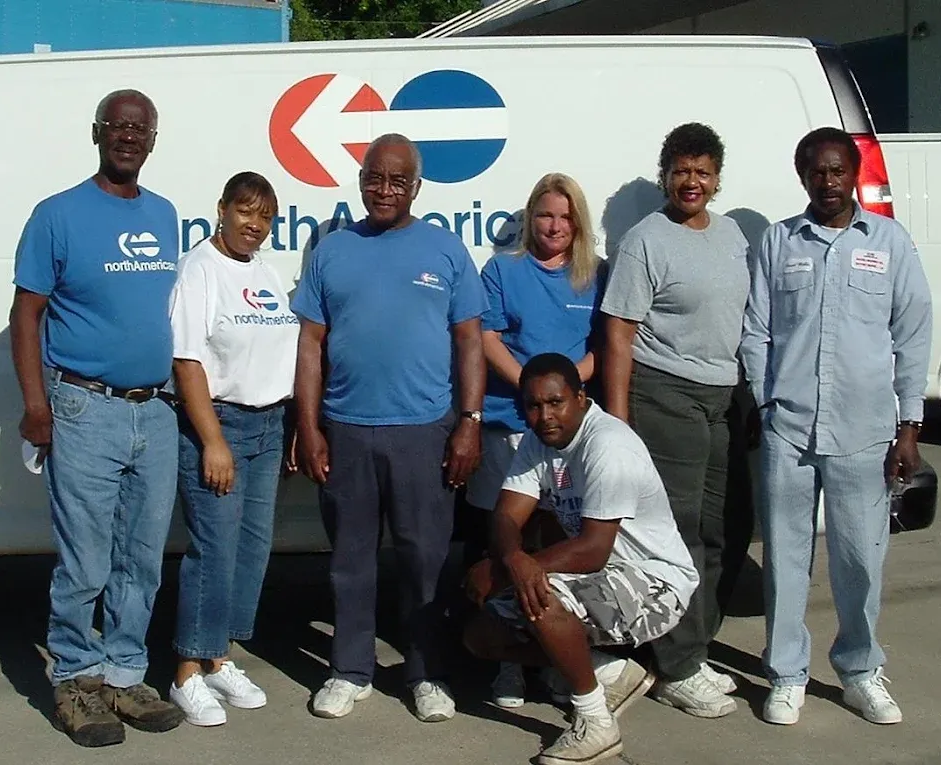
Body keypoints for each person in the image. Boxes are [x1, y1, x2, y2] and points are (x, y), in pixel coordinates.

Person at [291, 133, 487, 723]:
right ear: (360, 181)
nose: (384, 189)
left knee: (425, 559)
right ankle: (350, 670)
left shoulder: (446, 251)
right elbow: (309, 346)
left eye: (397, 180)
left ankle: (426, 673)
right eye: (374, 178)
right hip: (346, 428)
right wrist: (309, 426)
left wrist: (469, 423)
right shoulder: (332, 251)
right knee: (350, 560)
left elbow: (470, 340)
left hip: (425, 429)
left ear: (417, 188)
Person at [740, 127, 932, 726]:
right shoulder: (778, 242)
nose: (828, 182)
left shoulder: (891, 242)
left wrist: (909, 427)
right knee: (786, 559)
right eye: (817, 172)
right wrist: (767, 405)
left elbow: (914, 336)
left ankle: (860, 671)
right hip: (790, 433)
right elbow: (757, 331)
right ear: (803, 177)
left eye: (838, 171)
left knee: (858, 559)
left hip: (865, 431)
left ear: (854, 175)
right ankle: (787, 675)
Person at [10, 90, 184, 747]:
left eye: (140, 128)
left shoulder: (165, 215)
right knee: (85, 560)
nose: (128, 136)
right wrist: (36, 405)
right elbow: (25, 315)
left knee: (141, 557)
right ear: (98, 133)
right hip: (83, 407)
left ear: (152, 139)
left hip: (155, 409)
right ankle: (77, 682)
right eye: (118, 125)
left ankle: (123, 672)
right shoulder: (56, 215)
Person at [463, 353, 698, 765]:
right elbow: (506, 514)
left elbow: (593, 550)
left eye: (556, 403)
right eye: (533, 406)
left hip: (655, 582)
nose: (545, 415)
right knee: (481, 634)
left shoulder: (609, 444)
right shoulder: (539, 440)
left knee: (542, 593)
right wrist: (511, 559)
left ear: (581, 398)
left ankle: (597, 724)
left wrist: (518, 568)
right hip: (598, 576)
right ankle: (608, 672)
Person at [601, 122, 750, 718]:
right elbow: (618, 333)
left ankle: (695, 647)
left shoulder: (734, 233)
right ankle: (676, 668)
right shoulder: (646, 239)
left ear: (717, 178)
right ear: (665, 175)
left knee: (725, 529)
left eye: (703, 171)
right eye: (681, 170)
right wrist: (618, 421)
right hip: (666, 392)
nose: (692, 181)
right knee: (681, 530)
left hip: (724, 395)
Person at [463, 172, 610, 709]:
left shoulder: (594, 276)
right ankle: (507, 662)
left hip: (570, 434)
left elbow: (603, 347)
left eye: (565, 217)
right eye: (546, 215)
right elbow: (487, 337)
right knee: (507, 544)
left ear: (578, 223)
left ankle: (552, 658)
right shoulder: (503, 270)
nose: (555, 226)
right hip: (510, 424)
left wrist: (565, 392)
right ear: (531, 217)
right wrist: (533, 390)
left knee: (557, 546)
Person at [166, 172, 298, 726]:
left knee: (250, 547)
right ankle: (185, 673)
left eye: (265, 216)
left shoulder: (266, 273)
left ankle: (219, 657)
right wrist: (212, 441)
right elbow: (186, 360)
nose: (255, 224)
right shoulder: (199, 270)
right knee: (213, 549)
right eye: (245, 211)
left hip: (269, 425)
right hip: (219, 424)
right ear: (221, 209)